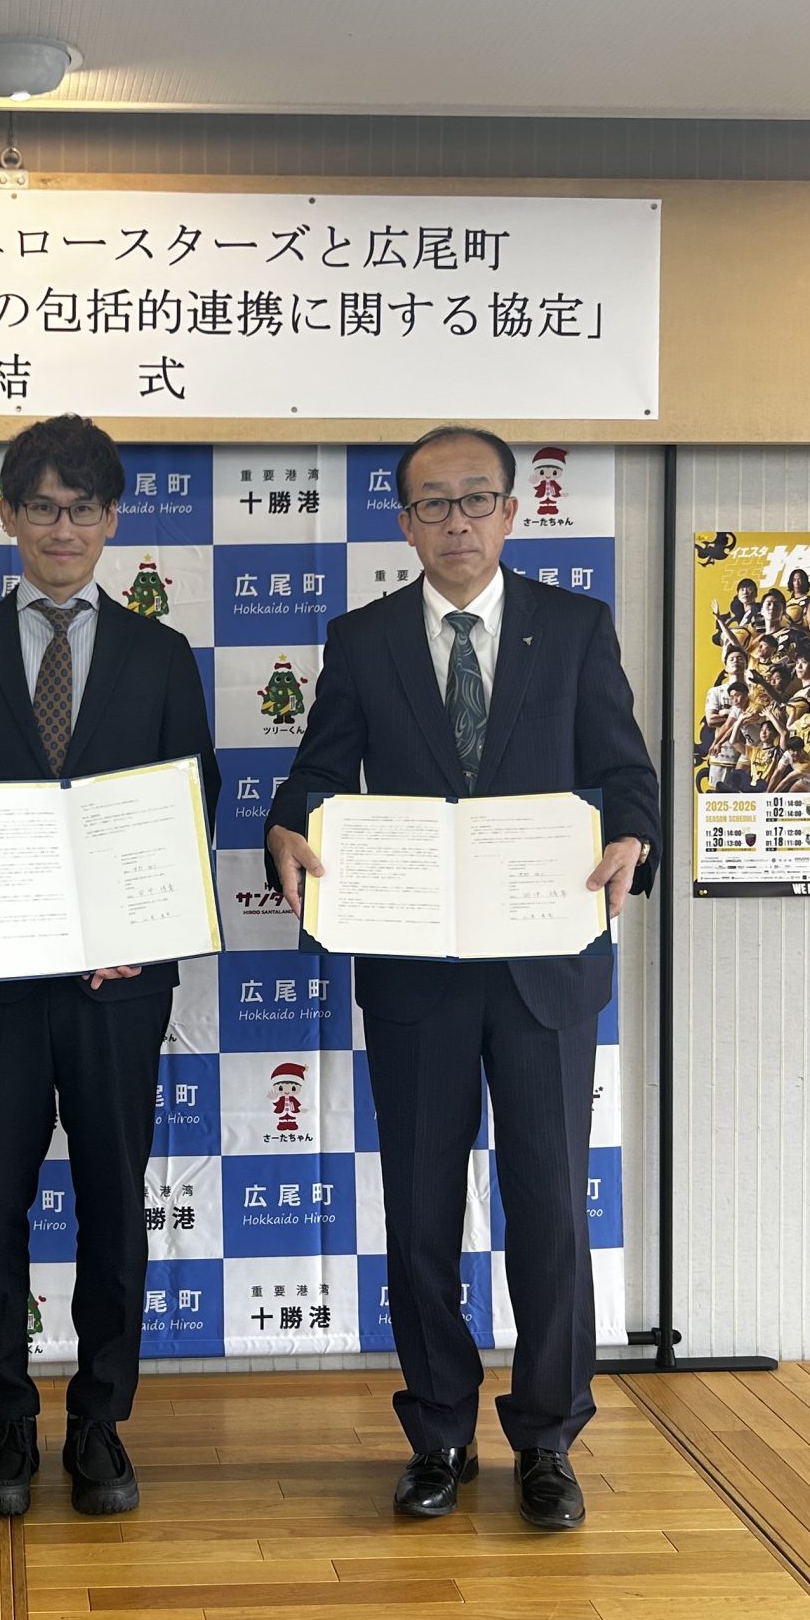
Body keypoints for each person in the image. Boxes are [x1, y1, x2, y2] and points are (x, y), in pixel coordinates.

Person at [265, 424, 657, 1530]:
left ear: (514, 510)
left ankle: (547, 1439)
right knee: (423, 1214)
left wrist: (632, 836)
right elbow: (315, 776)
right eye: (432, 504)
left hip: (543, 969)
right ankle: (438, 1431)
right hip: (416, 975)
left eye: (476, 499)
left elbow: (625, 774)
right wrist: (285, 828)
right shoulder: (362, 639)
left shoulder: (574, 629)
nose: (456, 522)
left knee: (550, 1212)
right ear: (404, 522)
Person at [0, 414, 218, 1519]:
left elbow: (193, 802)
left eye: (82, 508)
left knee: (114, 1205)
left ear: (112, 519)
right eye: (40, 506)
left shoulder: (161, 656)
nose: (61, 528)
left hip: (120, 984)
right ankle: (2, 1425)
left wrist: (137, 925)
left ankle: (99, 1423)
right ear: (8, 516)